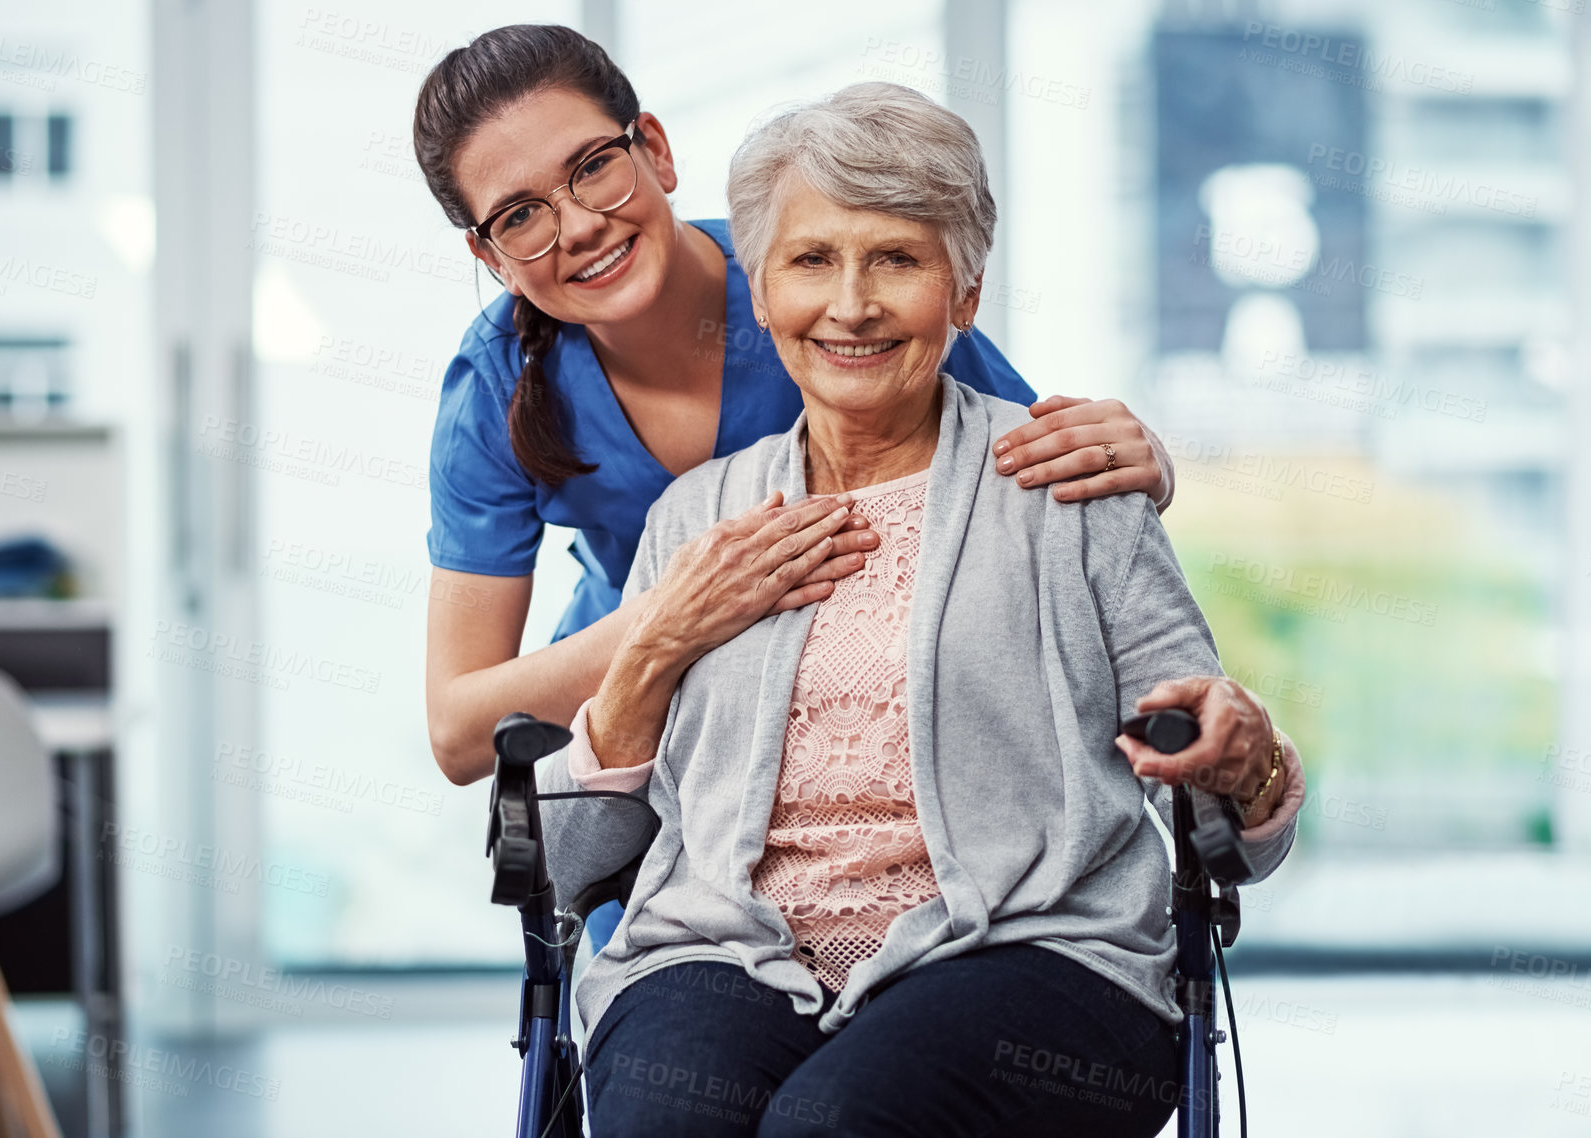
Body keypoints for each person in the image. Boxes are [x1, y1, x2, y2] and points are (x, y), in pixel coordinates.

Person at [535, 83, 1307, 1137]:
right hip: (727, 951)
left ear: (964, 293)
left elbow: (1225, 826)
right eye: (811, 261)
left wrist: (1243, 755)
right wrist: (649, 651)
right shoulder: (694, 519)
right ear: (760, 294)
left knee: (835, 1122)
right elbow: (573, 866)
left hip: (1032, 952)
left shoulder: (1067, 487)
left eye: (894, 259)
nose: (848, 305)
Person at [415, 24, 1181, 796]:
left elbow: (1037, 489)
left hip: (883, 722)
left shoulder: (821, 297)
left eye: (593, 167)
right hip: (647, 734)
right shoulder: (495, 385)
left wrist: (1137, 458)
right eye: (519, 216)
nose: (578, 225)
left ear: (654, 148)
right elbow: (457, 732)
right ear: (492, 259)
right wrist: (672, 617)